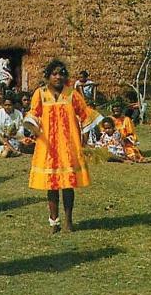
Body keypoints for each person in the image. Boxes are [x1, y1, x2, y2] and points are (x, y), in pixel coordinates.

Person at [24, 59, 102, 234]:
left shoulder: (72, 95)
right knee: (51, 185)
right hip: (48, 147)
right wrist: (33, 127)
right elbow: (33, 114)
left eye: (61, 73)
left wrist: (86, 140)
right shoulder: (40, 94)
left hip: (68, 145)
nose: (58, 77)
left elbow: (85, 115)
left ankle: (68, 220)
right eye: (54, 74)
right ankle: (54, 221)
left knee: (68, 184)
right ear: (48, 76)